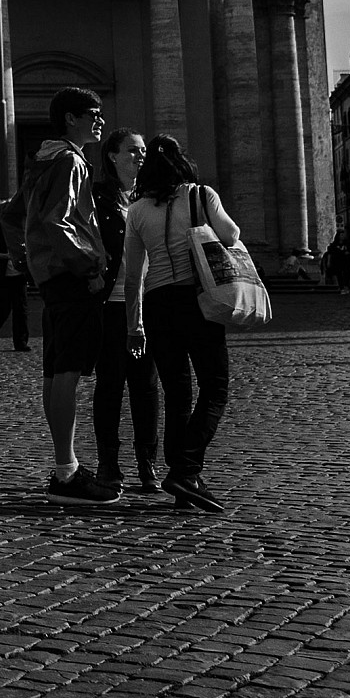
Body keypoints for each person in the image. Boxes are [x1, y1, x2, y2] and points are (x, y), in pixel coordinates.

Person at [121, 134, 240, 513]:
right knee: (215, 388)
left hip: (158, 303)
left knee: (177, 392)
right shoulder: (201, 195)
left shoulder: (137, 209)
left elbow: (133, 275)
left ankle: (181, 478)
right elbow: (232, 234)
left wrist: (132, 324)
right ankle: (186, 469)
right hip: (196, 299)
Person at [23, 87, 114, 504]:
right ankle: (66, 474)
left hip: (51, 278)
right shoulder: (72, 161)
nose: (99, 120)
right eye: (92, 114)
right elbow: (57, 220)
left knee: (56, 371)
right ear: (70, 119)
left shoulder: (43, 160)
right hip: (72, 278)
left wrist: (37, 265)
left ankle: (67, 465)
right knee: (69, 373)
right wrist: (89, 266)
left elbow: (13, 217)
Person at [92, 129, 159, 492]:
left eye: (143, 150)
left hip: (149, 304)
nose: (140, 156)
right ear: (113, 156)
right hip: (112, 305)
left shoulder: (152, 196)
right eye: (133, 150)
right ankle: (109, 462)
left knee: (146, 387)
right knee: (111, 385)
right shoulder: (97, 197)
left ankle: (147, 462)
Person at [0, 197, 30, 351]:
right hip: (2, 276)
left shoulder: (20, 229)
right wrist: (6, 256)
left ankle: (20, 342)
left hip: (19, 275)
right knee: (3, 308)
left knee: (21, 309)